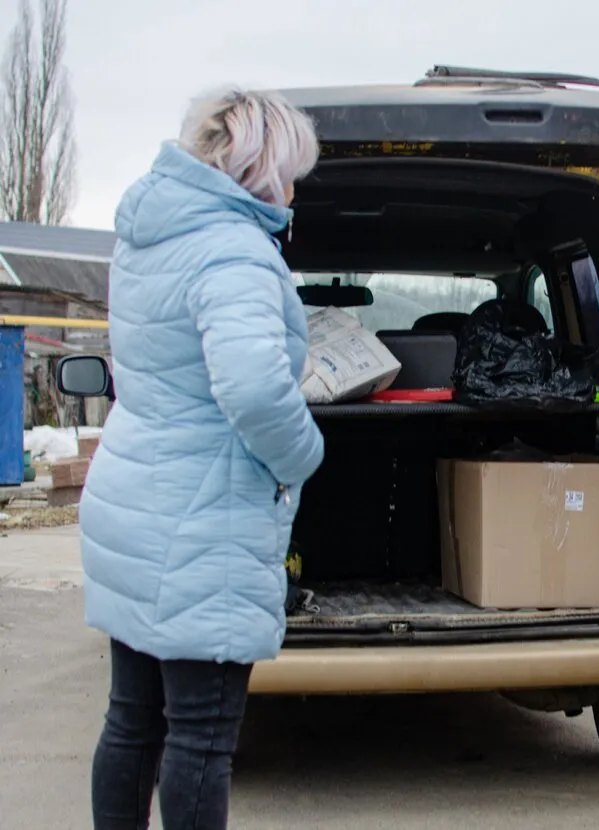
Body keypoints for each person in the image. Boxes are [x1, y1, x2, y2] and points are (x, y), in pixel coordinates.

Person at [80, 88, 325, 829]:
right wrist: (303, 454)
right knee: (202, 737)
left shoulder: (151, 238)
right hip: (202, 521)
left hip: (135, 502)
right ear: (261, 168)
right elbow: (252, 388)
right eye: (290, 174)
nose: (292, 192)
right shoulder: (234, 250)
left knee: (133, 719)